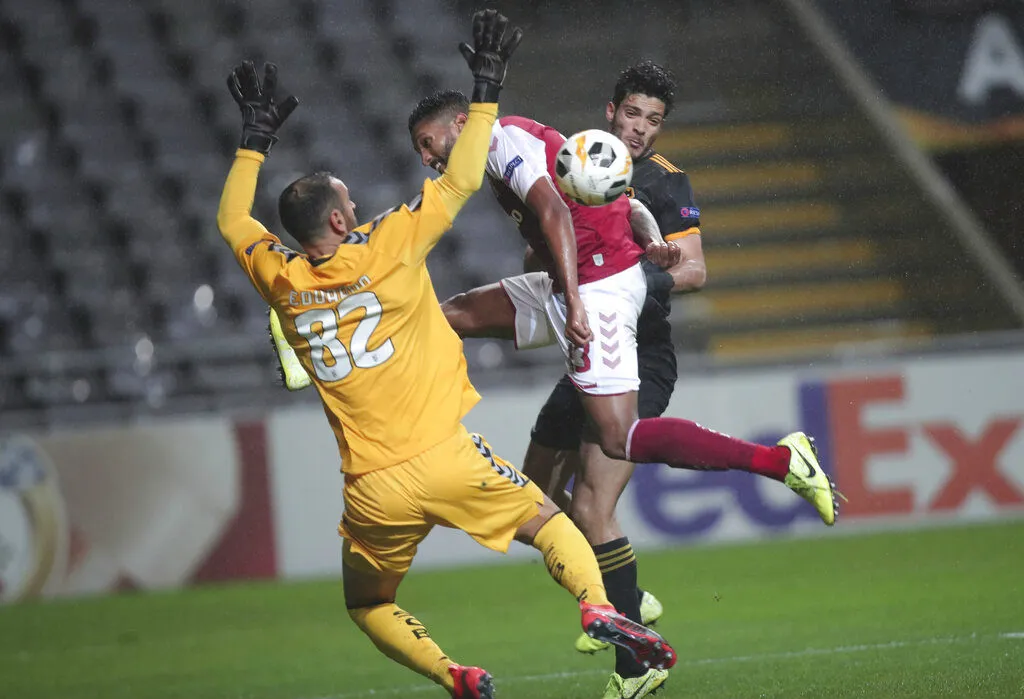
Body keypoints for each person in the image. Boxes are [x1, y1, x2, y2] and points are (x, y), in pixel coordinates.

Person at [216, 12, 675, 699]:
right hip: (446, 457)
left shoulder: (278, 278)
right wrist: (486, 90)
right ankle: (599, 607)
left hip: (371, 488)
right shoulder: (391, 244)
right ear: (342, 221)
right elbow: (460, 179)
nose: (356, 201)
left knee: (367, 604)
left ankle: (453, 675)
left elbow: (231, 221)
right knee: (553, 527)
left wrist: (252, 146)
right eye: (347, 199)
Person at [408, 73, 841, 699]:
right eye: (631, 113)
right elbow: (600, 208)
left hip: (610, 307)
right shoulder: (579, 150)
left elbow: (661, 253)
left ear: (457, 128)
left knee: (609, 456)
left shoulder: (524, 149)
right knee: (534, 486)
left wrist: (641, 263)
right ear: (612, 113)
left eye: (652, 118)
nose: (639, 127)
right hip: (572, 289)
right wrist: (611, 248)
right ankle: (622, 597)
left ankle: (778, 462)